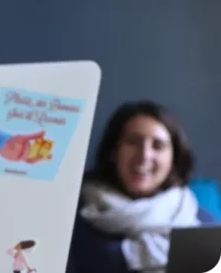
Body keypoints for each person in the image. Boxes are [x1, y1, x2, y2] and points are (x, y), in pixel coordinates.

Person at [66, 101, 215, 273]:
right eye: (133, 142)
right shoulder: (72, 218)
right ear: (113, 152)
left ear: (173, 160)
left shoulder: (202, 223)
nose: (144, 155)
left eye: (158, 145)